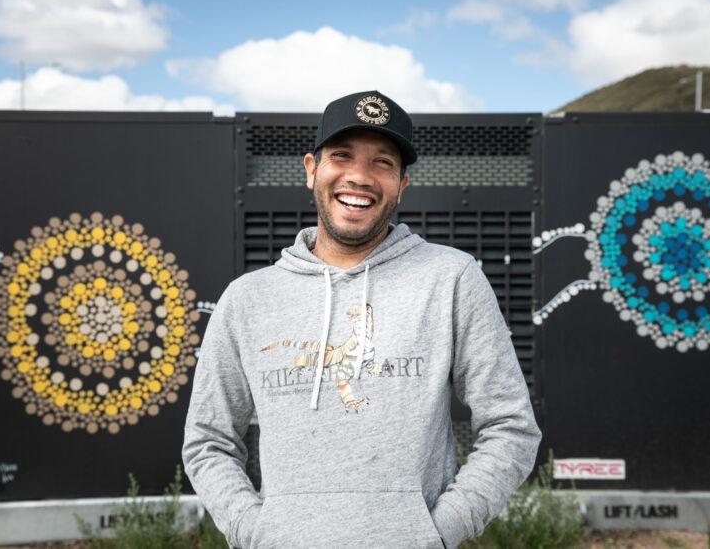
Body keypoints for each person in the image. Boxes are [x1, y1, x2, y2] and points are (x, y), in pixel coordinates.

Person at [182, 90, 542, 548]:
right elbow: (208, 441)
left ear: (402, 184)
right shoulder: (247, 299)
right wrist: (257, 533)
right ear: (311, 169)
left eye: (382, 163)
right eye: (342, 156)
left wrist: (438, 533)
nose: (359, 177)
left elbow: (511, 426)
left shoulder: (451, 279)